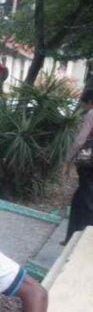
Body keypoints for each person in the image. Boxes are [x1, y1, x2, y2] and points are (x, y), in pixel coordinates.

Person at [63, 89, 93, 244]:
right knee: (79, 198)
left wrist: (68, 160)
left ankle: (83, 241)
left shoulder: (91, 114)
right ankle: (72, 235)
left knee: (87, 200)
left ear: (89, 102)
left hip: (88, 163)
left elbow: (80, 141)